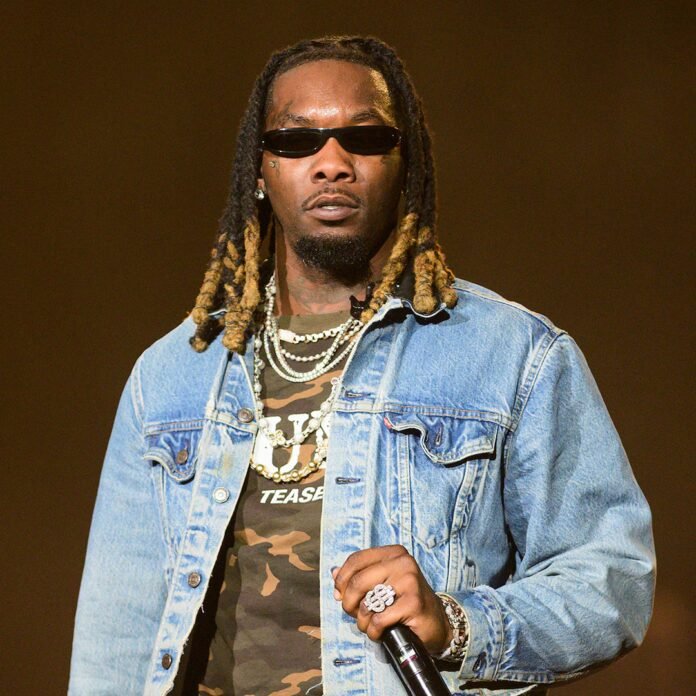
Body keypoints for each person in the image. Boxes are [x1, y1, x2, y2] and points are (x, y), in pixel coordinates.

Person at [69, 36, 655, 696]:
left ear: (406, 164)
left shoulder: (513, 356)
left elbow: (612, 581)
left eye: (365, 138)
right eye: (297, 141)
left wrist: (458, 624)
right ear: (260, 171)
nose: (332, 164)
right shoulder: (172, 376)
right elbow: (115, 637)